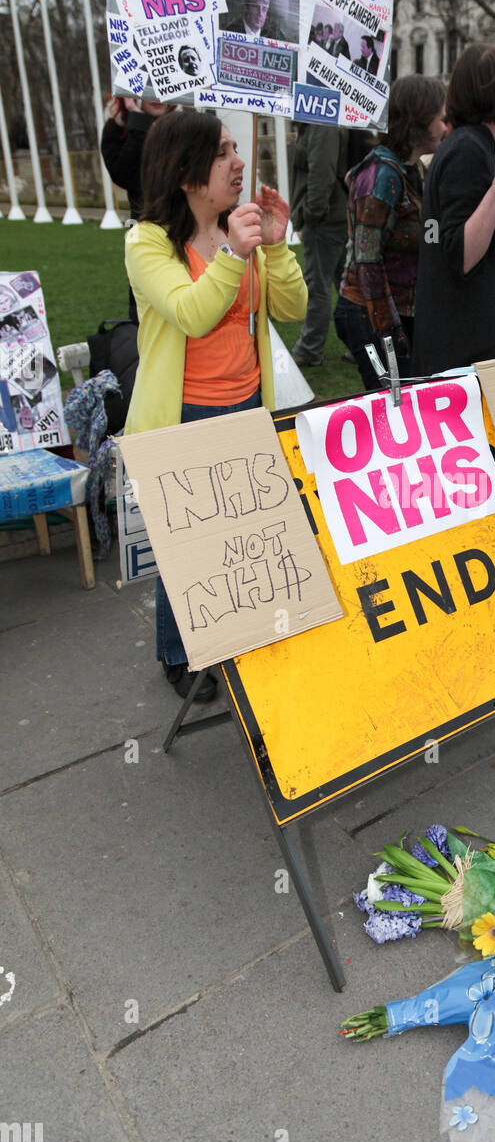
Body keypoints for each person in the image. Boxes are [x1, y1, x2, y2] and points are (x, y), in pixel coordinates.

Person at [124, 109, 308, 700]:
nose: (239, 163)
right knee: (190, 545)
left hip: (249, 403)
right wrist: (233, 253)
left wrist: (274, 248)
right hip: (186, 417)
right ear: (185, 173)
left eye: (236, 148)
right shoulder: (148, 241)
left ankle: (240, 634)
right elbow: (193, 312)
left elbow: (291, 311)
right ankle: (179, 655)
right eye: (222, 152)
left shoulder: (239, 228)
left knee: (244, 537)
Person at [411, 43, 495, 376]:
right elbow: (462, 255)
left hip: (478, 345)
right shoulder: (468, 150)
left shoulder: (482, 146)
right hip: (464, 353)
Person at [335, 75, 447, 391]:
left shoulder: (415, 170)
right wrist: (389, 332)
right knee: (394, 408)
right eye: (441, 117)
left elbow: (428, 235)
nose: (446, 125)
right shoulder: (382, 175)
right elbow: (366, 260)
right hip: (368, 315)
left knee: (410, 404)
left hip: (399, 313)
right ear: (420, 120)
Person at [101, 95, 173, 323]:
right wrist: (138, 122)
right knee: (147, 310)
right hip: (146, 228)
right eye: (147, 89)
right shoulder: (116, 129)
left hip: (190, 228)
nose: (157, 96)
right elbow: (125, 174)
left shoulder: (186, 126)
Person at [288, 122, 351, 367]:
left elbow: (321, 172)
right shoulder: (318, 123)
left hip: (326, 219)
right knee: (345, 284)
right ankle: (362, 344)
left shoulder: (321, 124)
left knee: (318, 285)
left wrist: (311, 214)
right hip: (332, 215)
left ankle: (309, 349)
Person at [222, 0, 288, 41]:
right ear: (246, 7)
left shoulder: (273, 36)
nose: (260, 14)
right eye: (255, 7)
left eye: (264, 9)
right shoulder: (230, 31)